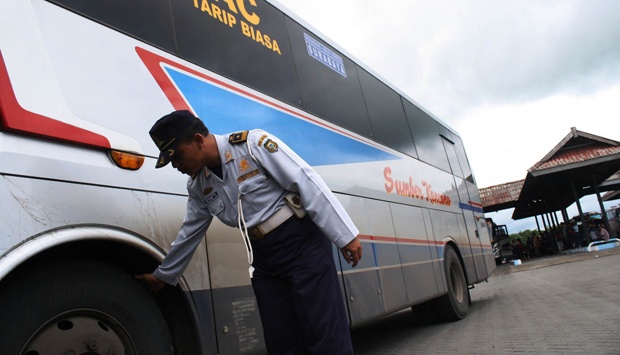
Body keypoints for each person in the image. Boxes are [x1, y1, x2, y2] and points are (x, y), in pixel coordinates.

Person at [136, 110, 362, 355]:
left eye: (177, 156)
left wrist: (345, 236)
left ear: (199, 140)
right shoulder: (199, 186)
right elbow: (189, 233)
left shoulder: (252, 145)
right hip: (263, 259)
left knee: (324, 332)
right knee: (281, 339)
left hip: (302, 245)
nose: (176, 166)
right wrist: (163, 276)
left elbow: (306, 181)